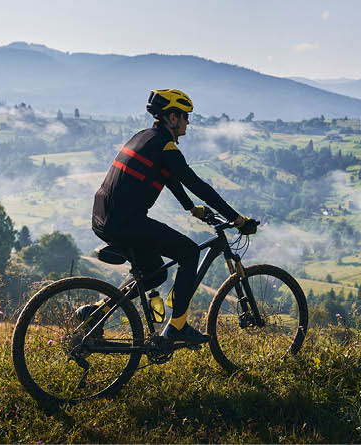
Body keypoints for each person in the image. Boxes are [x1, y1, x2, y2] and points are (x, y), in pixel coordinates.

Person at [89, 89, 255, 343]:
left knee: (154, 272)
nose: (188, 122)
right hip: (125, 220)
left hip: (104, 216)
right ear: (172, 118)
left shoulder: (144, 137)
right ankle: (177, 326)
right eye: (186, 116)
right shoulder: (165, 146)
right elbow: (194, 183)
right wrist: (237, 219)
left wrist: (191, 208)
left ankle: (96, 312)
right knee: (188, 252)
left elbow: (169, 177)